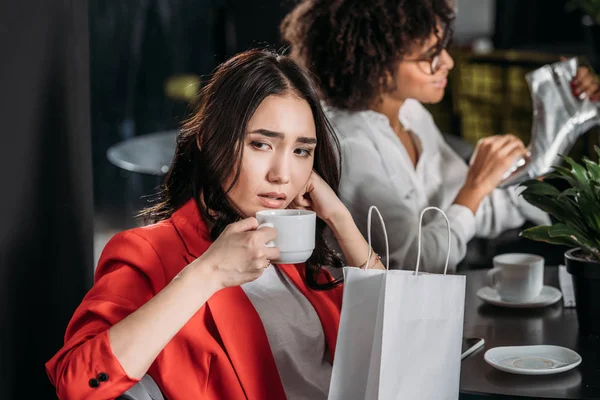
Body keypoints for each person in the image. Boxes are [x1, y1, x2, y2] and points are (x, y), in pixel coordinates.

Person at [45, 49, 384, 400]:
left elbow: (389, 342)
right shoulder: (150, 252)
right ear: (209, 139)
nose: (282, 175)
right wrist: (207, 273)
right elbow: (79, 383)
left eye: (301, 151)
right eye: (261, 144)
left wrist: (341, 220)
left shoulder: (295, 254)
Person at [281, 0, 600, 272]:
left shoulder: (410, 115)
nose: (447, 62)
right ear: (375, 64)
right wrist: (475, 186)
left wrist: (560, 123)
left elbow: (479, 211)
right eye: (429, 55)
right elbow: (415, 263)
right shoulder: (349, 144)